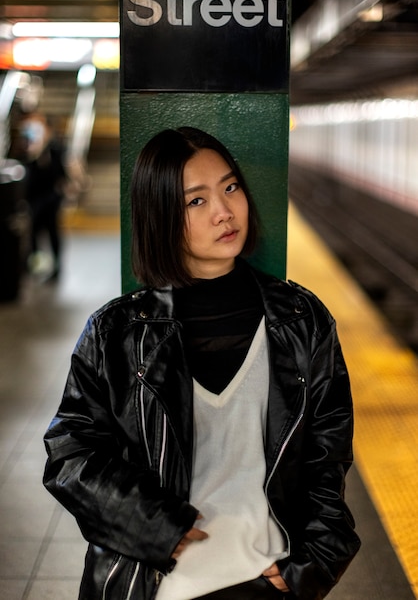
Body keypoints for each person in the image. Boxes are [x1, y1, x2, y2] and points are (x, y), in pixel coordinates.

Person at [43, 127, 360, 600]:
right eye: (196, 201)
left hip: (266, 578)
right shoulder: (118, 333)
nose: (224, 211)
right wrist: (155, 526)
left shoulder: (300, 320)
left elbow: (327, 456)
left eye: (230, 187)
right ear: (161, 215)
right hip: (156, 582)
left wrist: (319, 556)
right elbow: (70, 454)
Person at [18, 114, 67, 279]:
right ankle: (36, 266)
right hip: (35, 199)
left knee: (53, 233)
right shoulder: (29, 149)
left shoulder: (54, 150)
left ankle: (56, 266)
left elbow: (61, 173)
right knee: (34, 235)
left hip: (51, 200)